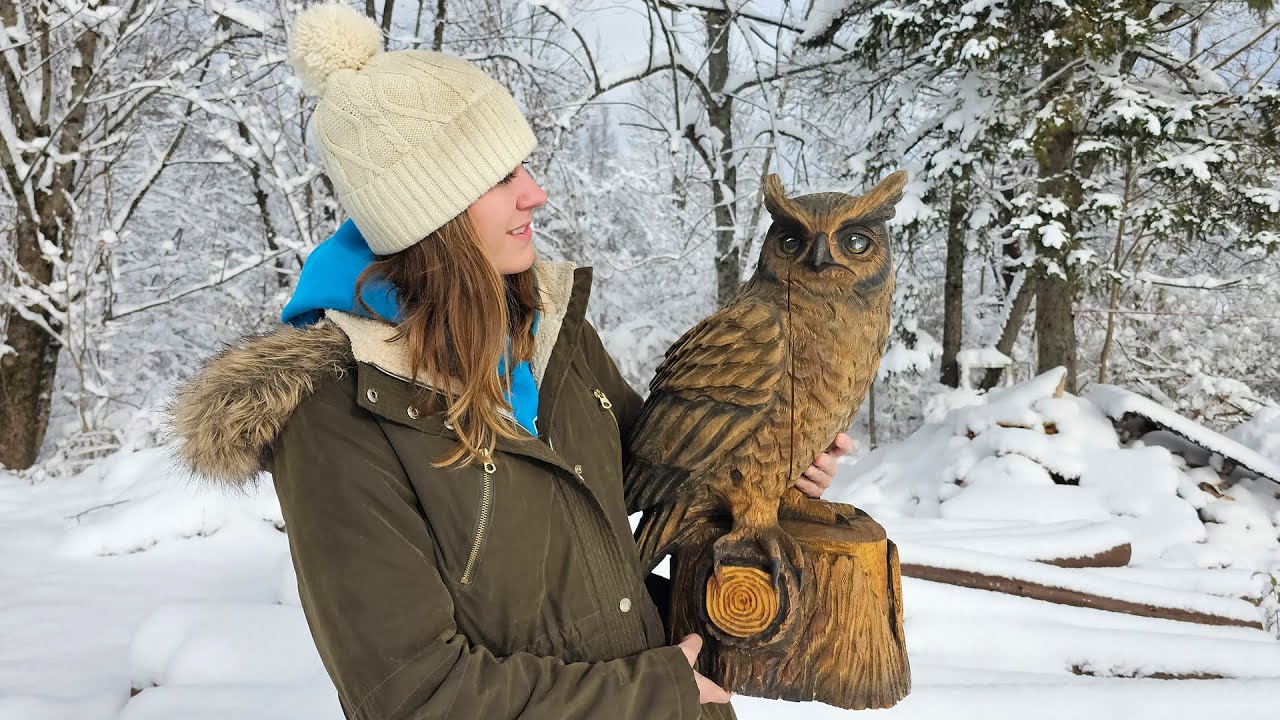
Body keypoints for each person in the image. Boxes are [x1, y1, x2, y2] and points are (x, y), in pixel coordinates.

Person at [167, 3, 851, 719]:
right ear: (429, 212)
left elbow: (655, 485)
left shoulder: (549, 334)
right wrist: (655, 693)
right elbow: (417, 696)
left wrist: (767, 461)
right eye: (499, 177)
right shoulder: (338, 418)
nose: (536, 191)